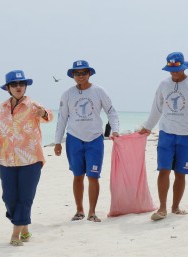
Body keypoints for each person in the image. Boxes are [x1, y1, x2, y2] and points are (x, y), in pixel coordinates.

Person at [0, 70, 53, 246]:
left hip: (31, 159)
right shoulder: (1, 108)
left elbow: (49, 116)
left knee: (25, 197)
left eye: (21, 83)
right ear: (8, 88)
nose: (18, 87)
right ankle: (25, 228)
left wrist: (42, 113)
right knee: (9, 198)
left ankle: (15, 234)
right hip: (7, 160)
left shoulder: (33, 105)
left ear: (26, 86)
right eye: (14, 84)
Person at [139, 52, 188, 221]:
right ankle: (162, 208)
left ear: (183, 67)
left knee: (180, 173)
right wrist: (147, 127)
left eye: (177, 69)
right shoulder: (163, 84)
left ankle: (175, 207)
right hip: (166, 134)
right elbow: (156, 108)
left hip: (187, 135)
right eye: (171, 70)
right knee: (163, 170)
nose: (174, 73)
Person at [53, 60, 120, 222]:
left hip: (95, 139)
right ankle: (79, 211)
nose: (81, 76)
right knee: (77, 176)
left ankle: (92, 212)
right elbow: (62, 118)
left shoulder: (99, 91)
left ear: (89, 74)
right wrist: (57, 142)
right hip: (74, 139)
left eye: (84, 73)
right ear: (73, 76)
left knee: (93, 176)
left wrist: (116, 130)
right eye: (77, 73)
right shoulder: (67, 94)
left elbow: (111, 112)